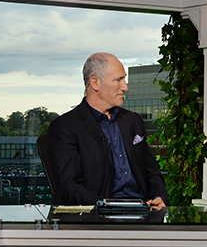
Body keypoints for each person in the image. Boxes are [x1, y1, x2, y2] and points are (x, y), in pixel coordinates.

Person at [47, 52, 168, 207]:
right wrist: (111, 207)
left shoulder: (133, 121)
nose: (125, 87)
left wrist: (159, 197)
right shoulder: (65, 127)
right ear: (95, 83)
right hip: (99, 220)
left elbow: (152, 171)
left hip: (143, 215)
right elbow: (70, 189)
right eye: (118, 80)